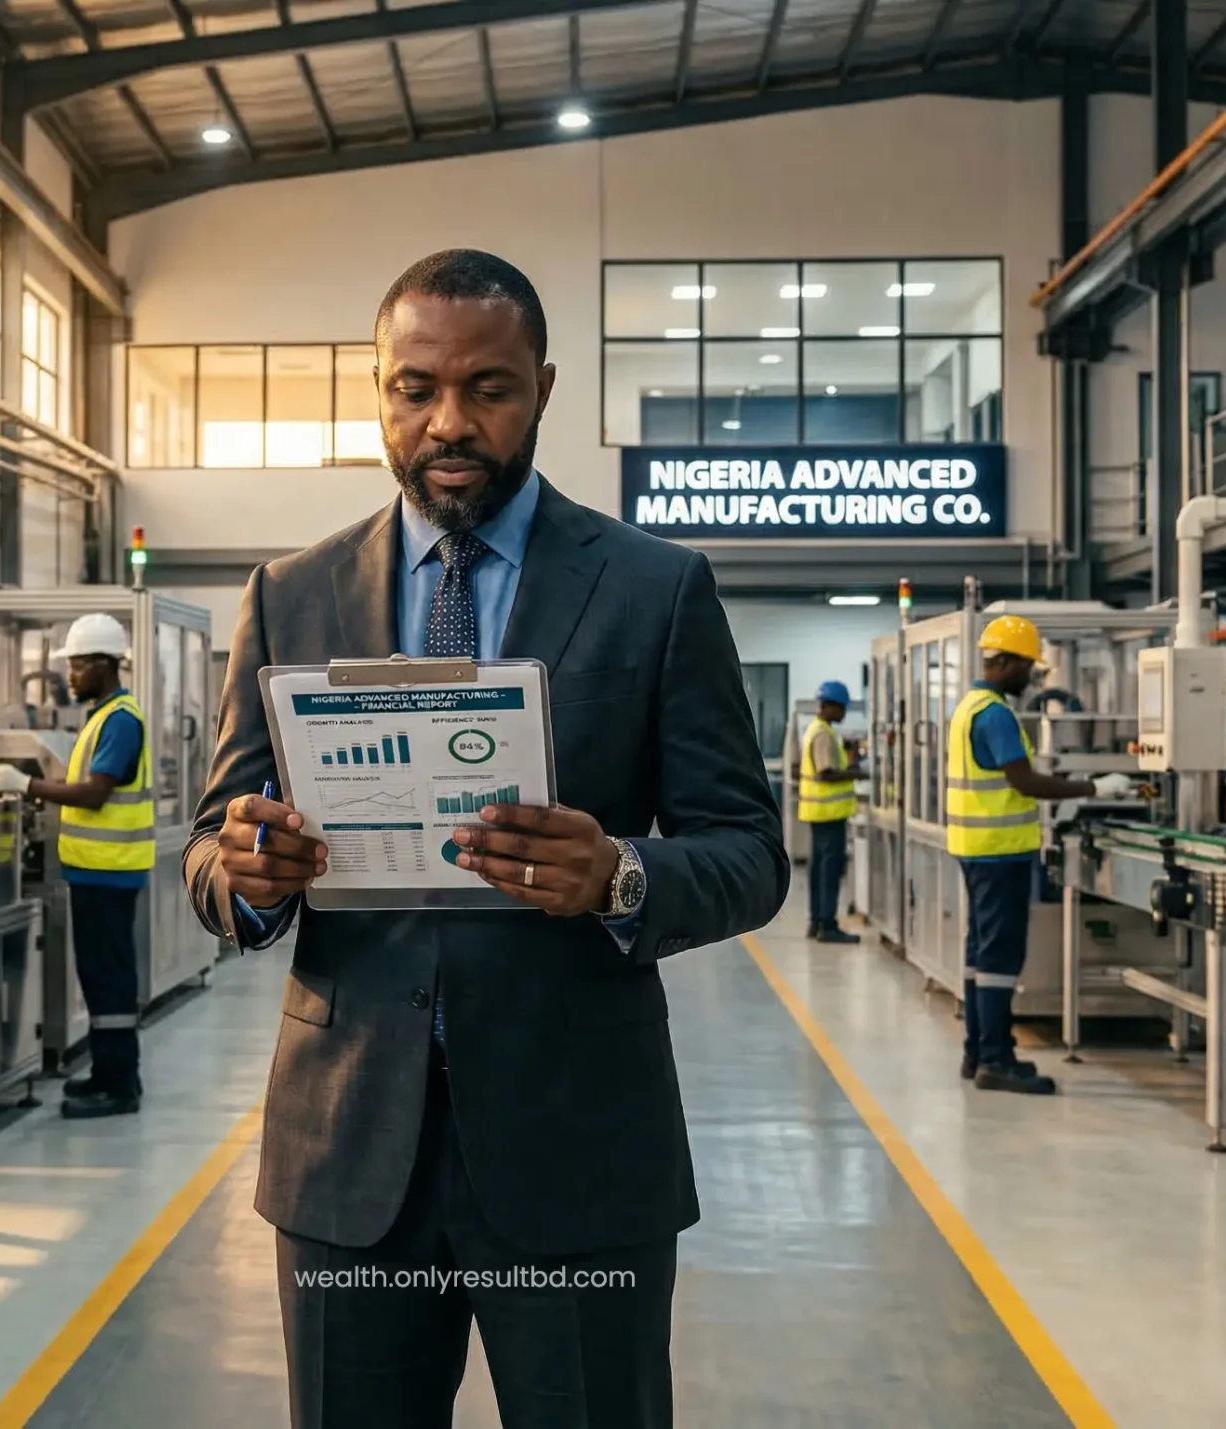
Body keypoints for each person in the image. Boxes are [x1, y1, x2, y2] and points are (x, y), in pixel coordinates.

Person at [186, 249, 786, 1428]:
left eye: (488, 389)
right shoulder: (291, 593)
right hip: (348, 1148)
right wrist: (246, 875)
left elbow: (746, 852)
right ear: (378, 391)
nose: (448, 421)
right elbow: (212, 845)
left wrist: (618, 871)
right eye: (415, 388)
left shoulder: (654, 590)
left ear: (544, 388)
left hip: (578, 1146)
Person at [948, 614, 1127, 1095]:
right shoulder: (996, 713)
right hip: (1000, 853)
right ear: (1002, 661)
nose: (1033, 676)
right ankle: (996, 1059)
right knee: (1000, 956)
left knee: (979, 953)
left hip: (974, 849)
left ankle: (977, 1050)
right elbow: (1023, 781)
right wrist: (1096, 787)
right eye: (1027, 666)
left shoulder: (968, 706)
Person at [0, 612, 152, 1119]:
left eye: (78, 666)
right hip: (95, 871)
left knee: (109, 976)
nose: (70, 676)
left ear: (105, 664)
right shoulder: (102, 716)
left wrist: (27, 786)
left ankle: (119, 1085)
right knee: (99, 975)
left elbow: (95, 793)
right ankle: (108, 1073)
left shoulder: (121, 721)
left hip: (109, 870)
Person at [799, 680, 862, 943]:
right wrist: (857, 773)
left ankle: (816, 921)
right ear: (830, 706)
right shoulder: (823, 733)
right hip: (829, 813)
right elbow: (826, 773)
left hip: (818, 812)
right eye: (842, 708)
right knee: (830, 870)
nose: (844, 713)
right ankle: (828, 924)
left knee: (818, 869)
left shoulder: (816, 730)